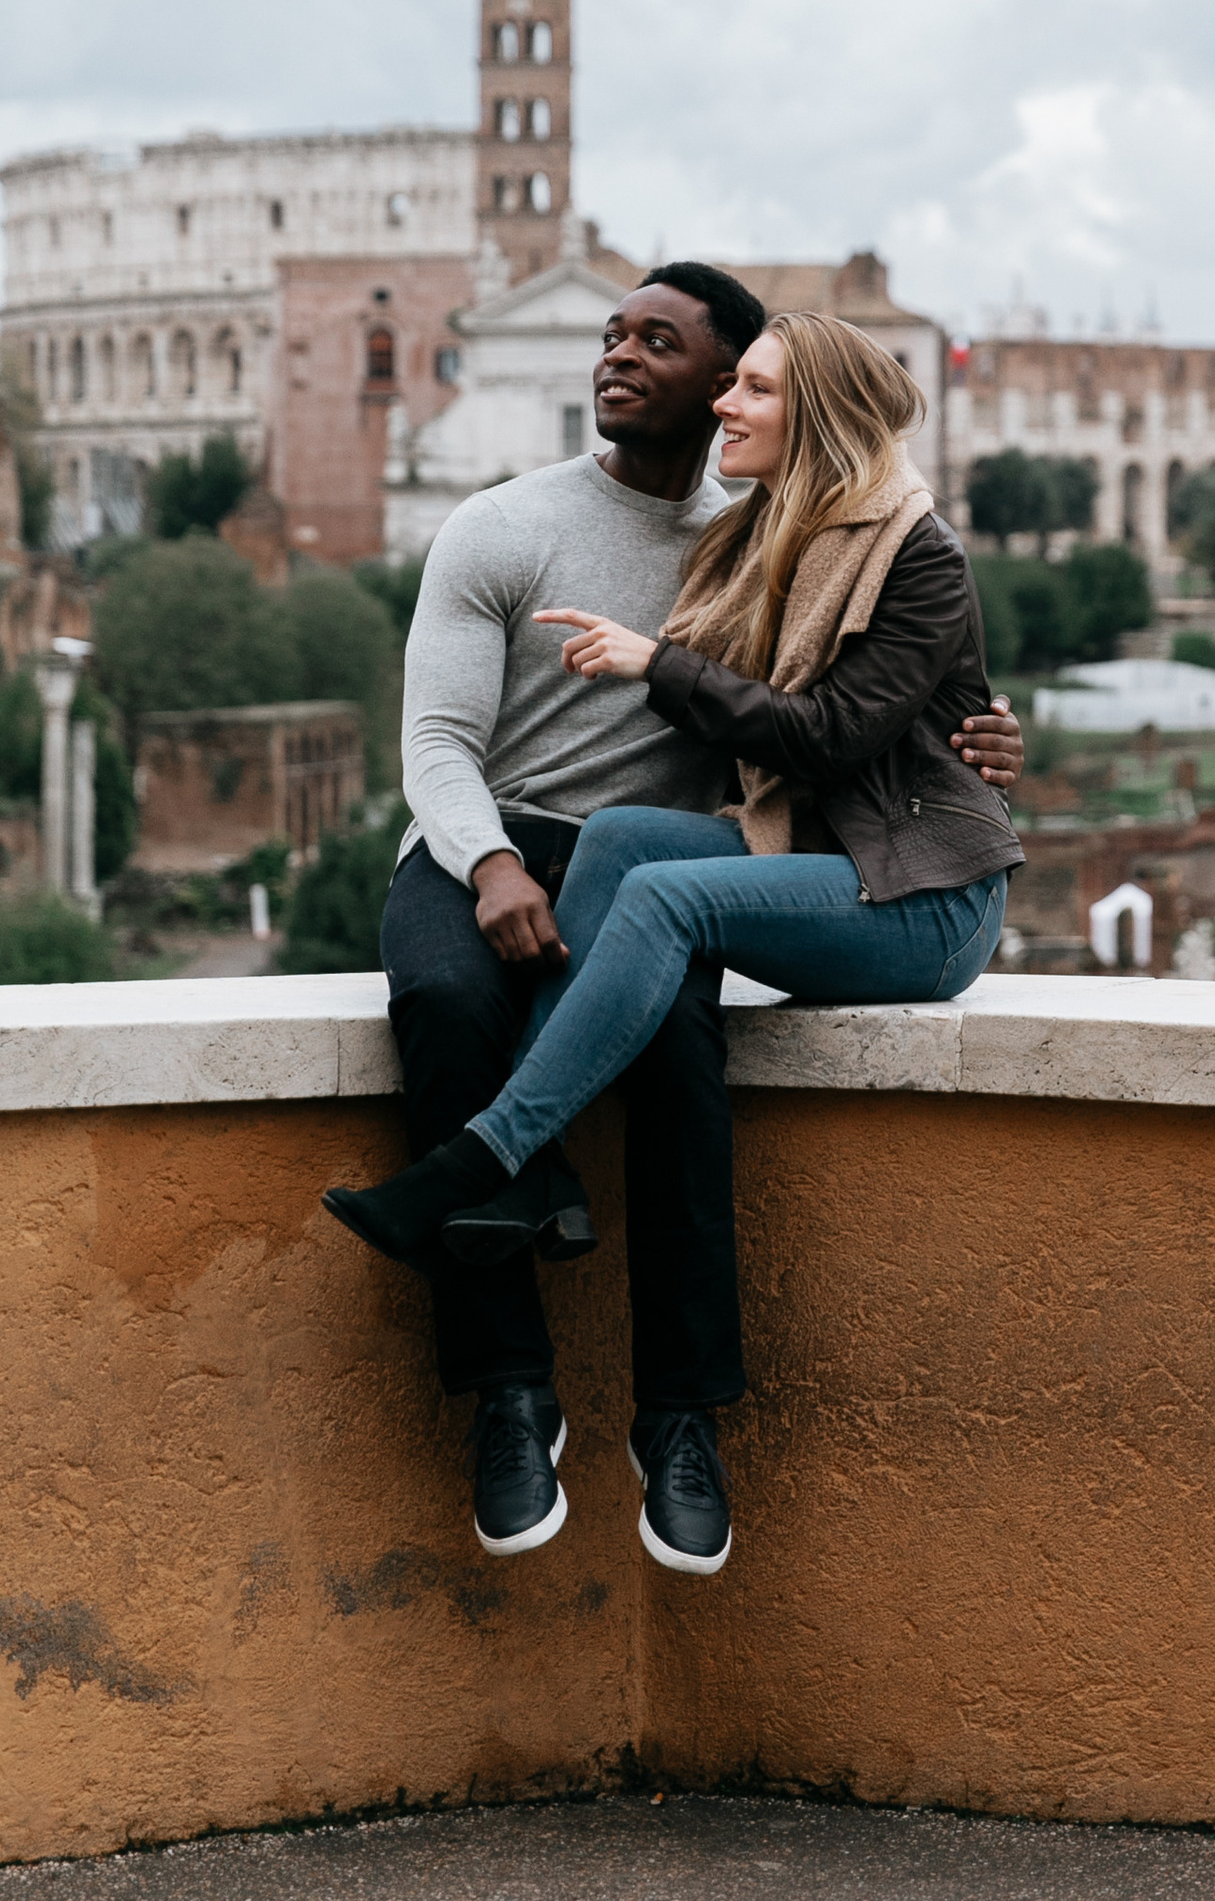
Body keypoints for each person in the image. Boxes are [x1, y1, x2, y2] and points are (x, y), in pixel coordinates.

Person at [328, 265, 1023, 1568]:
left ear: (730, 389)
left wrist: (973, 735)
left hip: (664, 859)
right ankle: (510, 1398)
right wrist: (487, 866)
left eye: (661, 342)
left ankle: (682, 1422)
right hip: (487, 838)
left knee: (684, 1062)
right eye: (612, 336)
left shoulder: (770, 535)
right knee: (445, 1003)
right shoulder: (499, 524)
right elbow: (433, 741)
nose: (619, 359)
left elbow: (856, 702)